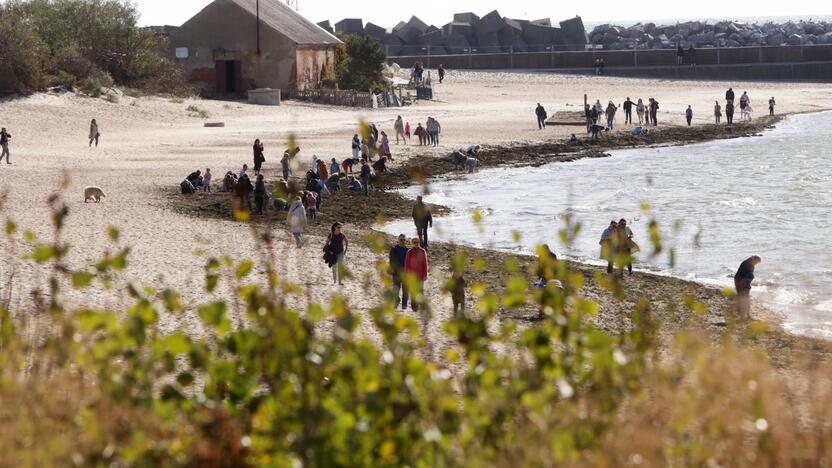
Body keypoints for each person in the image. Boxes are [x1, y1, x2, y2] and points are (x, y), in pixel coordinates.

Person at [404, 237, 428, 312]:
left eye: (417, 242)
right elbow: (406, 264)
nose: (416, 244)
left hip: (420, 275)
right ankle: (414, 307)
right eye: (414, 242)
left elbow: (425, 264)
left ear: (419, 243)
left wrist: (425, 274)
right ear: (412, 243)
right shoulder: (409, 252)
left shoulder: (422, 251)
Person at [734, 256, 762, 320]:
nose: (756, 264)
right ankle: (744, 315)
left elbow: (748, 278)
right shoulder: (747, 264)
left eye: (757, 263)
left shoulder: (750, 264)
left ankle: (745, 315)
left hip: (743, 281)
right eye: (756, 262)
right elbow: (746, 276)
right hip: (739, 281)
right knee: (743, 298)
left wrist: (747, 285)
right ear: (754, 259)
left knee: (744, 298)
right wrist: (745, 285)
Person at [389, 234, 410, 310]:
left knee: (405, 290)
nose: (402, 241)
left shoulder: (408, 250)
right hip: (396, 272)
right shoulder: (394, 249)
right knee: (395, 289)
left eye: (404, 240)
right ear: (398, 240)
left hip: (405, 273)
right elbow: (391, 261)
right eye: (401, 240)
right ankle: (396, 301)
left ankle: (404, 305)